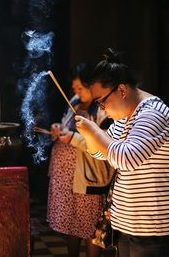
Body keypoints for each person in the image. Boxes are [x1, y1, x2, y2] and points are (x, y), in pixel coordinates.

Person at [75, 49, 169, 257]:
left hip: (156, 233)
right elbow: (101, 153)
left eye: (102, 101)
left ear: (121, 90)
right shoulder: (126, 117)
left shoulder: (152, 114)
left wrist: (93, 132)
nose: (100, 108)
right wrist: (90, 134)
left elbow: (125, 158)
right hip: (129, 229)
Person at [46, 63, 114, 257]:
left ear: (92, 86)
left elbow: (103, 143)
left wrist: (73, 138)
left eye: (81, 88)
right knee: (71, 224)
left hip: (87, 178)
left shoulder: (101, 111)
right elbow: (65, 124)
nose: (77, 92)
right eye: (74, 89)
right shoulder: (74, 101)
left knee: (90, 227)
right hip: (66, 180)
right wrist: (57, 128)